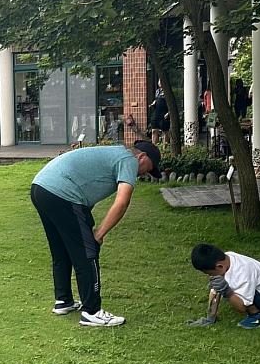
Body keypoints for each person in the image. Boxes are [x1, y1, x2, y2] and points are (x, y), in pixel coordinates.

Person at [29, 140, 162, 327]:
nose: (145, 173)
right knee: (88, 249)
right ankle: (92, 311)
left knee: (61, 248)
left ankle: (63, 300)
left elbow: (87, 191)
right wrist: (99, 234)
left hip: (41, 187)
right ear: (142, 157)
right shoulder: (128, 160)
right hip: (62, 191)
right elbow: (122, 203)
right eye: (149, 168)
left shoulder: (113, 154)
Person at [190, 243, 260, 329]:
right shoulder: (226, 258)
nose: (210, 276)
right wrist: (210, 317)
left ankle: (258, 318)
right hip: (258, 288)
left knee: (234, 294)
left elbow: (242, 307)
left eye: (210, 273)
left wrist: (228, 292)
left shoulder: (242, 273)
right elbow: (215, 290)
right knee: (223, 286)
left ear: (219, 267)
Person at [149, 80, 169, 145]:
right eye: (159, 81)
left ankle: (164, 149)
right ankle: (154, 148)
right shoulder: (157, 91)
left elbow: (171, 104)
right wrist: (153, 103)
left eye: (161, 81)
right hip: (157, 112)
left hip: (164, 113)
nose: (160, 83)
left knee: (165, 132)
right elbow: (157, 99)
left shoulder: (168, 91)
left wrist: (168, 113)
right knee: (154, 130)